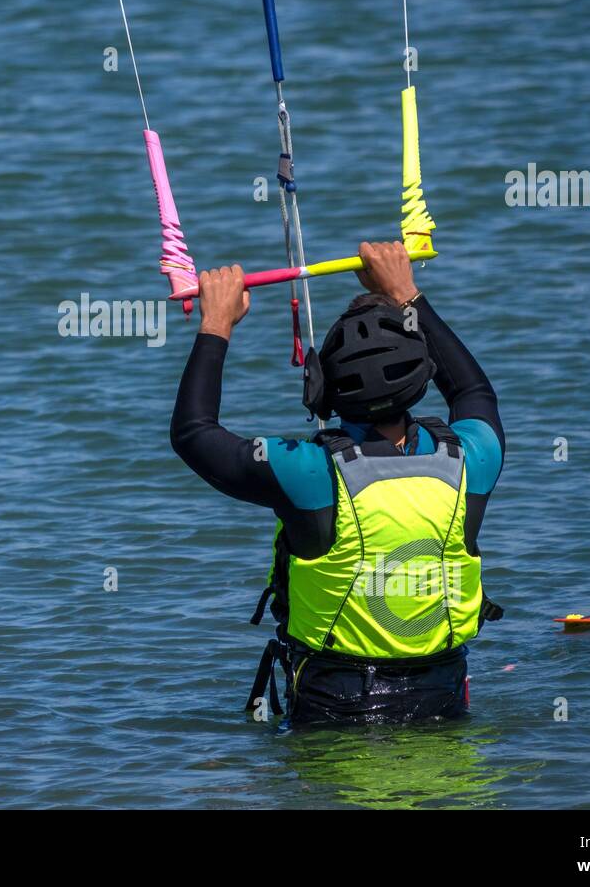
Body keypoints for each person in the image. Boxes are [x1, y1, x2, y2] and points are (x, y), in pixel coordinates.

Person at [170, 241, 505, 724]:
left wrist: (216, 323)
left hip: (335, 713)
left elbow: (193, 434)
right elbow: (474, 392)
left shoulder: (306, 471)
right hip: (442, 701)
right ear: (422, 375)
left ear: (320, 389)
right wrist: (407, 294)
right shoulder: (471, 457)